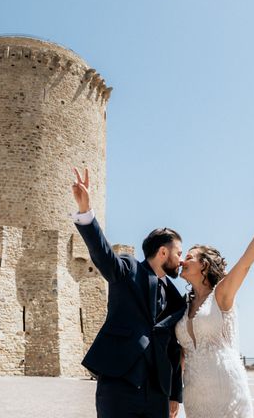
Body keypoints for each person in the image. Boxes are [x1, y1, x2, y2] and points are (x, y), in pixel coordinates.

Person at [71, 167, 187, 418]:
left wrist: (175, 393)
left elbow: (173, 349)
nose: (181, 260)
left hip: (157, 394)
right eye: (178, 253)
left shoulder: (177, 301)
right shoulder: (128, 269)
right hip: (118, 386)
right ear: (163, 252)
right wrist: (86, 212)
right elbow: (103, 255)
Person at [174, 200, 254, 418]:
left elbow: (245, 263)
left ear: (203, 264)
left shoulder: (221, 295)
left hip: (227, 394)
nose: (183, 262)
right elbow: (182, 355)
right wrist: (174, 395)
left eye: (189, 258)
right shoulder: (183, 308)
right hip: (195, 397)